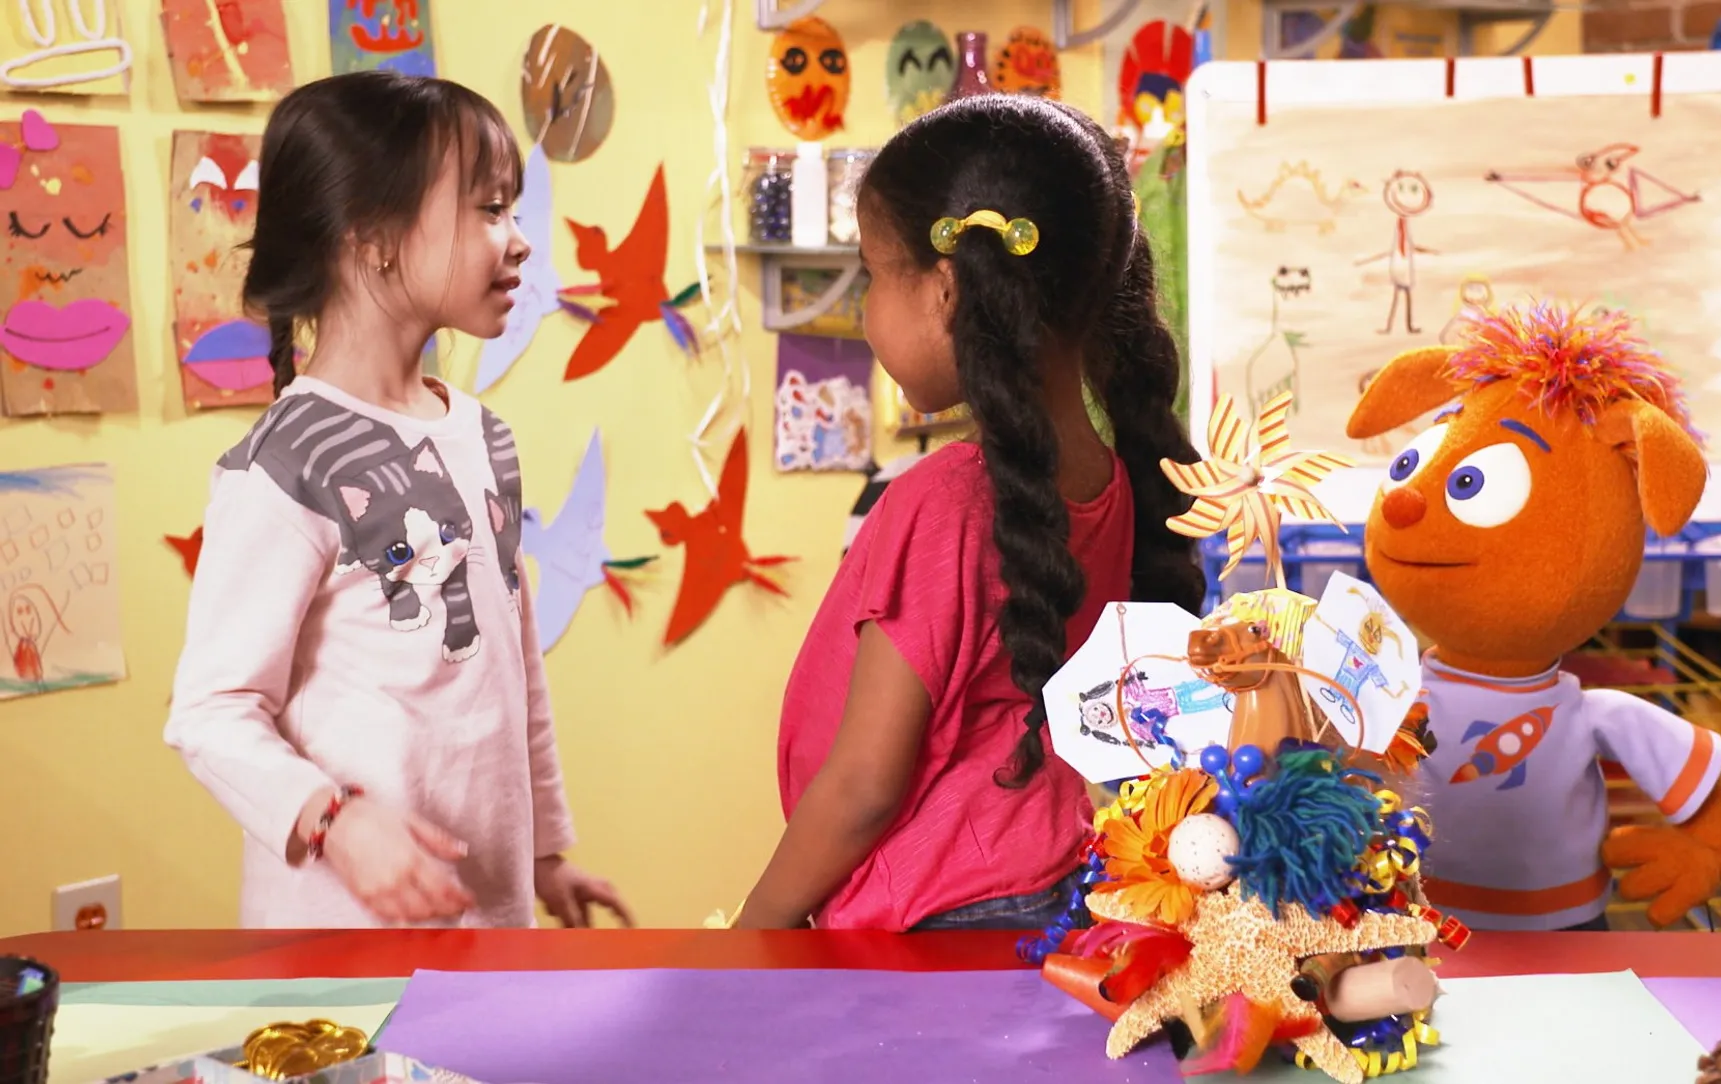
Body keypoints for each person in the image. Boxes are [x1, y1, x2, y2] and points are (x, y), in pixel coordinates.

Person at [165, 72, 630, 930]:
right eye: (490, 210)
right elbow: (211, 713)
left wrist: (544, 856)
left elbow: (515, 674)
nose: (519, 241)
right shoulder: (284, 463)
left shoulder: (485, 436)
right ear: (374, 236)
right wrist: (334, 820)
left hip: (485, 928)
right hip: (339, 947)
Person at [734, 94, 1203, 931]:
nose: (868, 309)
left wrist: (754, 927)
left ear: (947, 288)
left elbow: (864, 787)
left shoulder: (943, 499)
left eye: (873, 274)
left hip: (934, 917)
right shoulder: (1113, 478)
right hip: (1055, 883)